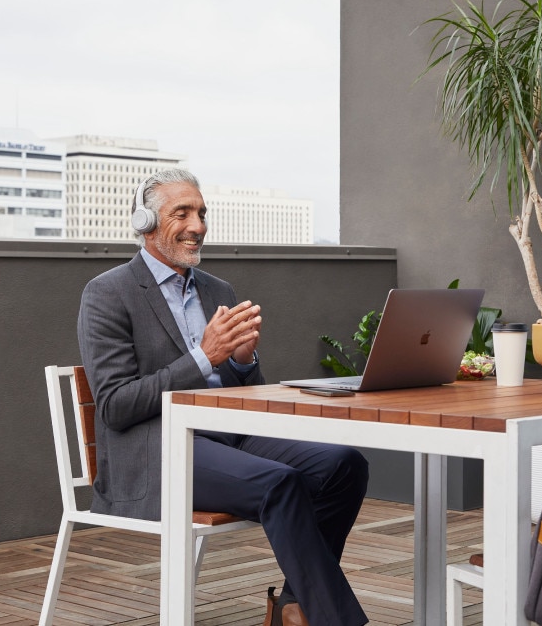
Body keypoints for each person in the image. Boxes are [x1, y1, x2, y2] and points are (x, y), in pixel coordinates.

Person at [77, 168, 369, 626]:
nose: (198, 225)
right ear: (145, 223)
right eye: (183, 213)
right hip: (160, 450)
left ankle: (296, 604)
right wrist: (203, 357)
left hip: (228, 436)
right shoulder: (108, 293)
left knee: (343, 465)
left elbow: (246, 396)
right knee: (280, 483)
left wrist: (242, 362)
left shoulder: (218, 290)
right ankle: (331, 620)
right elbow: (115, 405)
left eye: (202, 213)